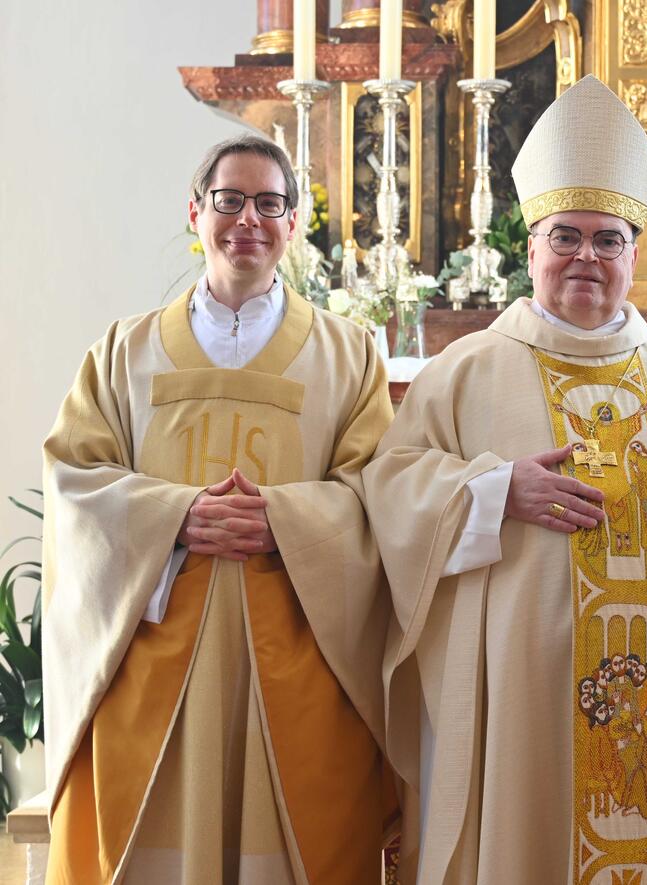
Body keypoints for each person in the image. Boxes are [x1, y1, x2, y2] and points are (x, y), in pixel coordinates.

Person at [364, 75, 647, 883]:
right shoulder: (465, 372)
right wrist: (494, 493)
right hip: (526, 705)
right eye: (565, 237)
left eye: (607, 240)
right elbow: (391, 492)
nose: (586, 258)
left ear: (636, 255)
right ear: (530, 246)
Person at [43, 133, 396, 883]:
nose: (249, 220)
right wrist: (174, 518)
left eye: (269, 203)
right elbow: (75, 479)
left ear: (294, 224)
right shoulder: (123, 351)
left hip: (300, 661)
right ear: (195, 213)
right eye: (229, 200)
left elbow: (378, 489)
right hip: (158, 660)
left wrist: (286, 521)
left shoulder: (349, 354)